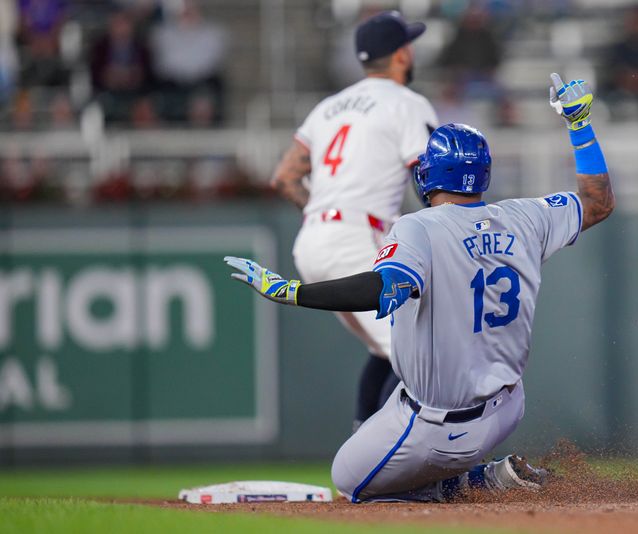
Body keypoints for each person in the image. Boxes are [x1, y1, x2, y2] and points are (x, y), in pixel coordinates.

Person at [226, 73, 613, 502]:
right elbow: (598, 202)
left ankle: (476, 480)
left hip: (440, 426)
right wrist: (579, 124)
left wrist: (292, 291)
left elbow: (381, 289)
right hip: (507, 408)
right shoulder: (527, 216)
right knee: (392, 405)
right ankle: (474, 469)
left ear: (427, 175)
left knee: (349, 481)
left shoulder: (417, 227)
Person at [271, 11, 438, 432]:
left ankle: (364, 448)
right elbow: (429, 180)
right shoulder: (407, 103)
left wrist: (322, 216)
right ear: (401, 54)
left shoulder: (328, 107)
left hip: (314, 238)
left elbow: (285, 177)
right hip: (359, 236)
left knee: (386, 352)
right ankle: (384, 463)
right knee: (414, 354)